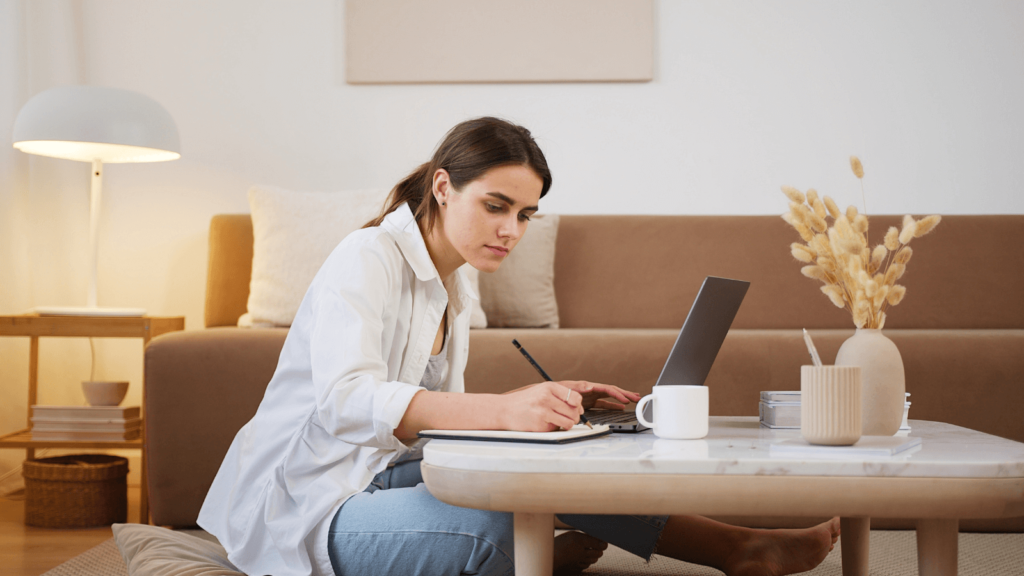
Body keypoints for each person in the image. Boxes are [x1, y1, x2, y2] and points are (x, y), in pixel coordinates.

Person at [198, 117, 840, 576]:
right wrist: (506, 412)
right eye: (496, 206)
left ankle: (738, 548)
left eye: (525, 215)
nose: (511, 230)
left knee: (556, 464)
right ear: (444, 187)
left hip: (377, 473)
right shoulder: (367, 257)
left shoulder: (455, 282)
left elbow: (431, 421)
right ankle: (538, 558)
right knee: (501, 525)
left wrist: (540, 407)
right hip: (307, 504)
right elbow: (346, 402)